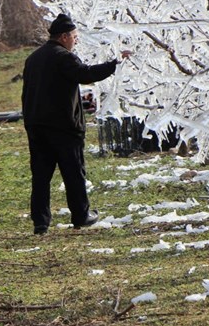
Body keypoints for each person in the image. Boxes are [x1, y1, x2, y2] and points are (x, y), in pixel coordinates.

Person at [21, 13, 132, 235]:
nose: (76, 40)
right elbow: (86, 74)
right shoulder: (64, 57)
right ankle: (81, 215)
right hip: (63, 128)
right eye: (74, 36)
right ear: (63, 37)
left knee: (41, 176)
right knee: (73, 173)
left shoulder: (33, 58)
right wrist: (115, 63)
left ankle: (40, 222)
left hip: (36, 126)